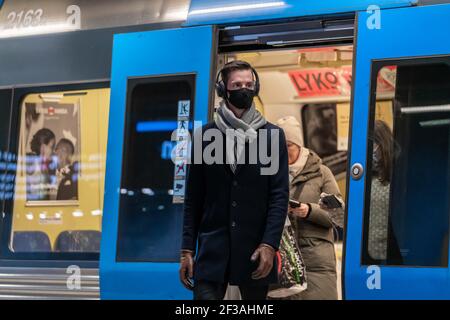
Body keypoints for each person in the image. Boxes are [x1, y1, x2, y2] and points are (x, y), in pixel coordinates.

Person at [180, 60, 289, 300]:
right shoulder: (205, 137)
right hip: (212, 251)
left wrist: (270, 244)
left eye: (249, 84)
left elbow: (279, 196)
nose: (244, 89)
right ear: (223, 90)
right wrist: (187, 249)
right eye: (237, 84)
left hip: (256, 252)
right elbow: (193, 198)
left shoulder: (272, 136)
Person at [276, 116, 343, 300]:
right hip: (283, 262)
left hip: (316, 265)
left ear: (299, 145)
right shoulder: (269, 173)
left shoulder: (322, 173)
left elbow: (338, 215)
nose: (283, 151)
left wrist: (309, 210)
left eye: (288, 145)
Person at [367, 120, 402, 264]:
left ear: (382, 144)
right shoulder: (364, 177)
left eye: (373, 145)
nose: (370, 151)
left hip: (393, 249)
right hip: (368, 251)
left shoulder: (399, 171)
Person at [27, 128, 56, 201]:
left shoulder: (45, 168)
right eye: (51, 147)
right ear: (43, 147)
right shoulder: (31, 160)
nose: (53, 151)